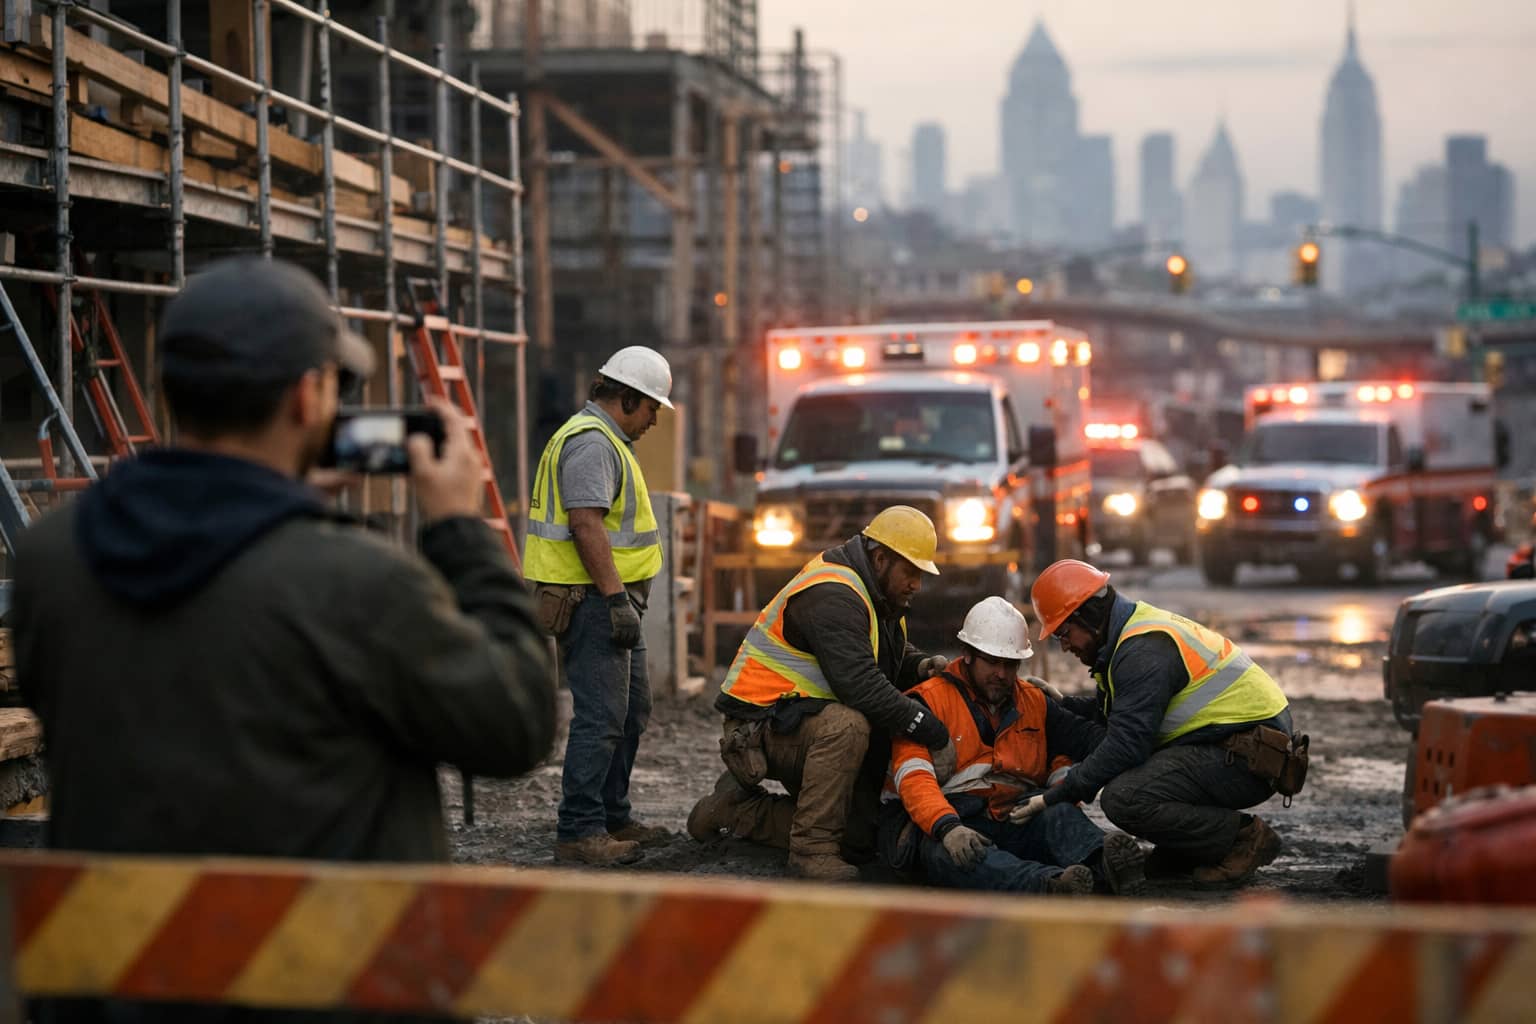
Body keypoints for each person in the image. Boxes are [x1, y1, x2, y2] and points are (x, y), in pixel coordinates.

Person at [686, 506, 953, 881]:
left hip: (798, 721)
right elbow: (860, 683)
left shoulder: (876, 593)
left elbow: (875, 651)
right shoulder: (834, 593)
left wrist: (921, 666)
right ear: (880, 559)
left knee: (859, 840)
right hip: (758, 725)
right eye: (911, 572)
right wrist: (929, 727)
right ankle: (811, 851)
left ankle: (734, 811)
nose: (917, 585)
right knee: (849, 725)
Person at [1015, 559, 1301, 887]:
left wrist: (1056, 795)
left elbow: (1127, 744)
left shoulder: (1141, 651)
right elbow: (1124, 713)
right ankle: (1190, 851)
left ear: (1090, 616)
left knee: (1124, 796)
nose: (1065, 646)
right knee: (1132, 774)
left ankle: (1242, 838)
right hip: (1237, 743)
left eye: (1065, 633)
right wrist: (1064, 704)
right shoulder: (1129, 635)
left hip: (1250, 756)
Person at [881, 597, 1145, 895]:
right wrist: (946, 827)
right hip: (943, 824)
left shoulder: (1033, 700)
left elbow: (1091, 739)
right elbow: (914, 779)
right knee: (955, 857)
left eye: (1010, 664)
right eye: (993, 662)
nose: (1002, 674)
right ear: (967, 654)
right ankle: (1051, 885)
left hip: (1010, 817)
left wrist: (1145, 737)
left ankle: (1105, 866)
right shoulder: (926, 702)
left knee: (1057, 814)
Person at [524, 346, 675, 867]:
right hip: (592, 600)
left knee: (632, 710)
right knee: (602, 715)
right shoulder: (591, 444)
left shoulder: (607, 440)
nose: (655, 418)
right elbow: (585, 523)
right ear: (628, 397)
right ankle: (580, 829)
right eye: (652, 407)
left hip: (608, 598)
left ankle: (612, 815)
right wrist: (614, 599)